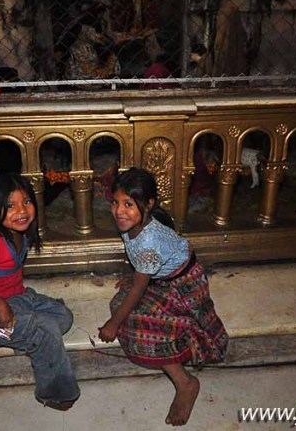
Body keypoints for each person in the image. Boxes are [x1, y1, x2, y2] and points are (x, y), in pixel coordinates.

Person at [98, 168, 228, 426]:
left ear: (148, 205)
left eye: (128, 204)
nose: (119, 211)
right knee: (120, 303)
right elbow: (140, 267)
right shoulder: (134, 226)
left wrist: (114, 323)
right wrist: (138, 275)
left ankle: (185, 382)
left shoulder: (150, 242)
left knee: (140, 327)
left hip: (183, 286)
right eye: (115, 202)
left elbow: (138, 288)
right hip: (161, 279)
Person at [0, 173, 80, 410]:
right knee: (47, 330)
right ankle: (54, 393)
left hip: (18, 299)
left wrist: (12, 304)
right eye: (10, 205)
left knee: (64, 317)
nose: (21, 211)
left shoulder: (19, 233)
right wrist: (0, 306)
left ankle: (16, 337)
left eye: (26, 201)